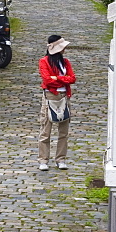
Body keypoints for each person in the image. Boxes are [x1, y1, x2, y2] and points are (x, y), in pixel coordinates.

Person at [38, 35, 76, 171]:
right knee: (45, 130)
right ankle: (43, 159)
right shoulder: (44, 61)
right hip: (49, 96)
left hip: (64, 96)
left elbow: (72, 78)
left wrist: (58, 78)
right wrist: (63, 79)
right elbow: (47, 80)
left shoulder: (65, 62)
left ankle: (61, 159)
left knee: (63, 130)